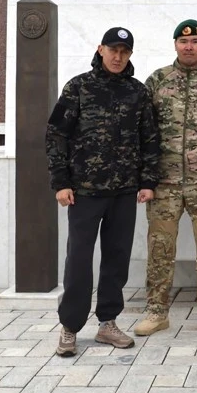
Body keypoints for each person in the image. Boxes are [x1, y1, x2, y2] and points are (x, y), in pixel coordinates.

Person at [47, 27, 160, 357]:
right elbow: (56, 135)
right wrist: (61, 182)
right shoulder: (78, 87)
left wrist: (148, 182)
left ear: (130, 55)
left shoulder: (137, 92)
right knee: (79, 261)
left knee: (116, 260)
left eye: (124, 51)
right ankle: (70, 326)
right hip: (84, 191)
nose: (118, 57)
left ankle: (107, 323)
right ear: (100, 50)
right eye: (113, 50)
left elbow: (150, 139)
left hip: (124, 192)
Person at [134, 19, 197, 340]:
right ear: (175, 44)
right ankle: (156, 312)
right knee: (160, 249)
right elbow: (143, 131)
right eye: (183, 41)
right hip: (163, 183)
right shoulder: (158, 81)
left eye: (195, 41)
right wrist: (146, 176)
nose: (189, 47)